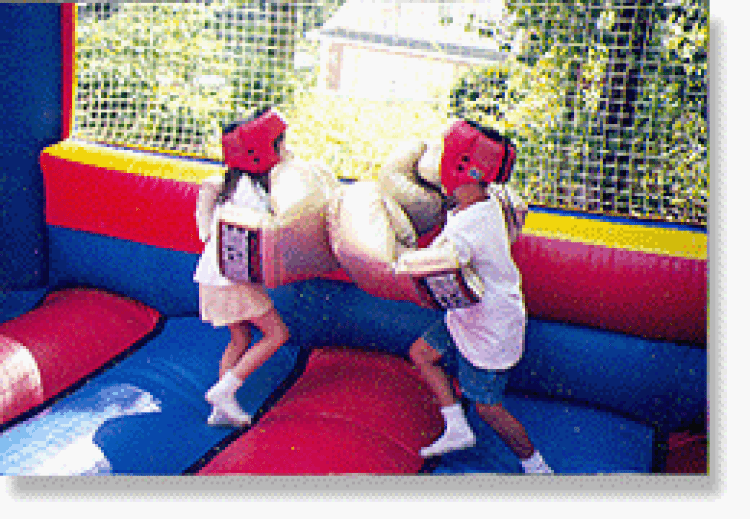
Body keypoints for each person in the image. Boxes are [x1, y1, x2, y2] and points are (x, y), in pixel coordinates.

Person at [404, 119, 553, 474]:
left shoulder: (470, 229)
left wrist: (396, 261)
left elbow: (435, 267)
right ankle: (456, 426)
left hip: (489, 323)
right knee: (422, 354)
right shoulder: (491, 199)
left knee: (487, 407)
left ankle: (536, 467)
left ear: (461, 167)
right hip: (468, 313)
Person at [193, 107, 290, 427]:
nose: (285, 152)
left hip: (213, 277)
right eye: (280, 146)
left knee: (240, 339)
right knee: (277, 334)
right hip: (230, 279)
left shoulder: (233, 186)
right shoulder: (251, 194)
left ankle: (222, 407)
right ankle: (224, 390)